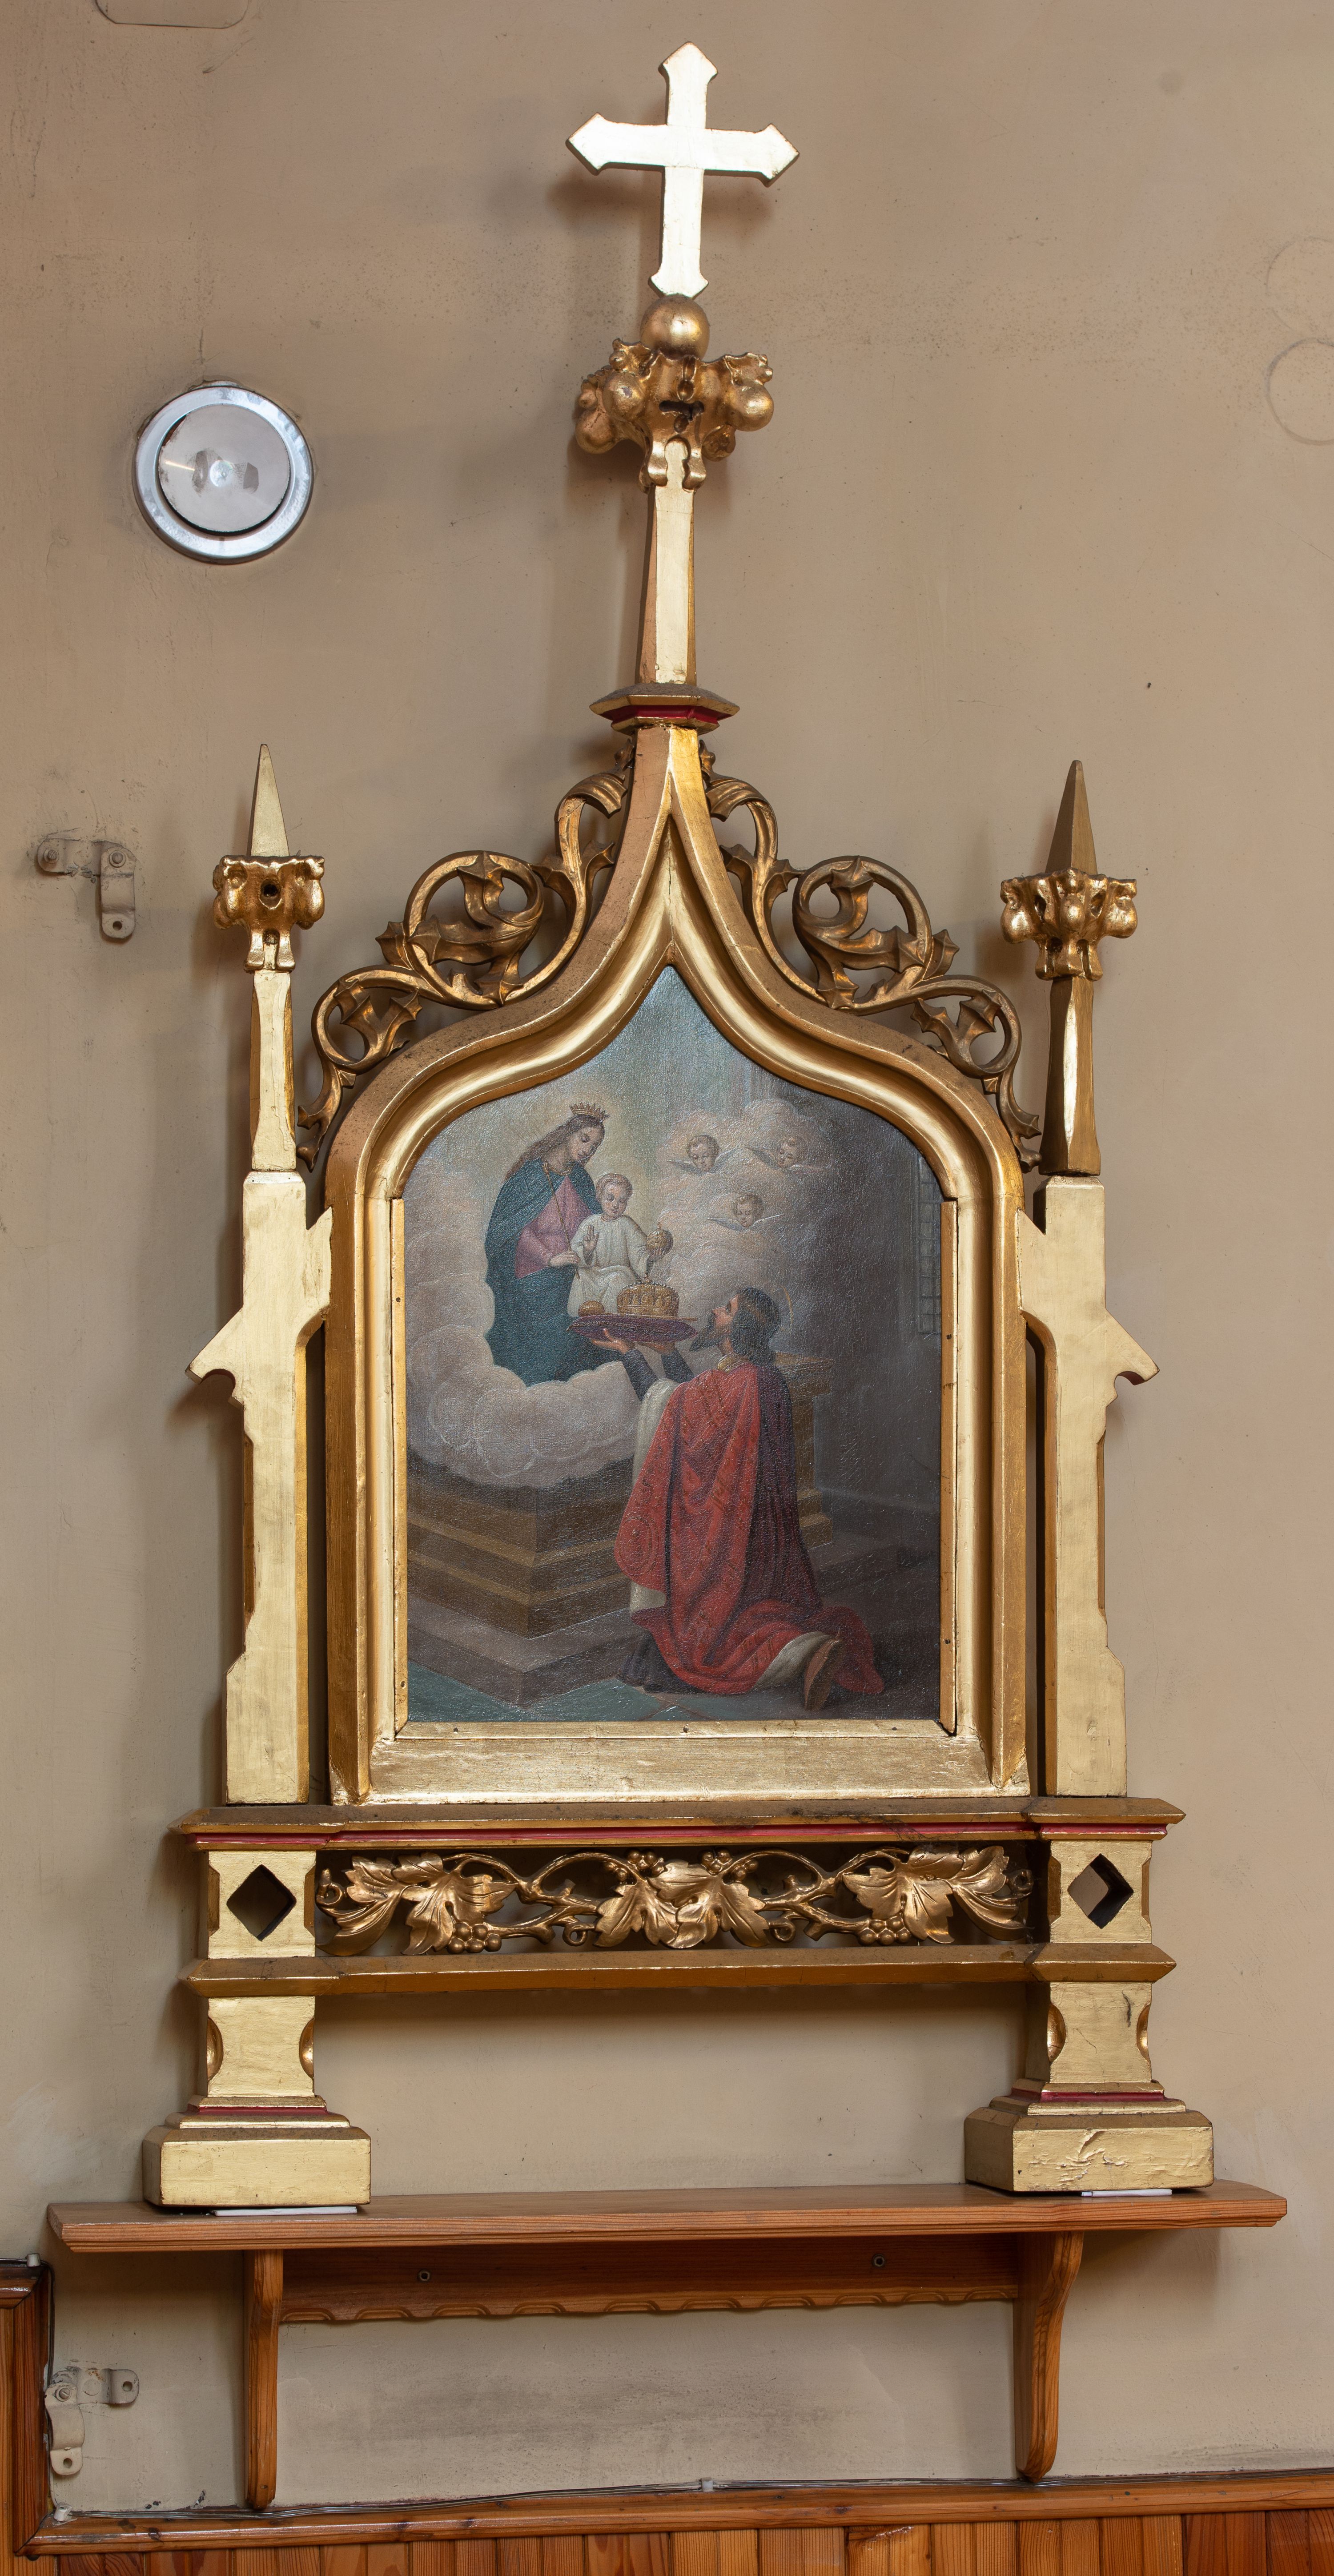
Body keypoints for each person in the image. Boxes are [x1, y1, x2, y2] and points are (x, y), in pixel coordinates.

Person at [610, 1286, 883, 1709]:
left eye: (726, 1309)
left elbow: (672, 1408)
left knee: (716, 1638)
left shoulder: (735, 1382)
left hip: (723, 1532)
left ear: (739, 1328)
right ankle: (805, 1647)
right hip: (756, 1534)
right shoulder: (760, 1378)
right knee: (746, 1613)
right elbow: (691, 1408)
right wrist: (668, 1352)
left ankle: (804, 1650)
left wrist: (629, 1353)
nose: (714, 1311)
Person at [484, 1104, 609, 1385]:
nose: (588, 1150)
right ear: (567, 1134)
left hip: (572, 1276)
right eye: (584, 1140)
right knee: (549, 1340)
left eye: (594, 1147)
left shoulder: (581, 1180)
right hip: (532, 1277)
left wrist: (590, 1249)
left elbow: (594, 1226)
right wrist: (550, 1259)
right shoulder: (530, 1177)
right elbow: (515, 1231)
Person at [565, 1174, 669, 1317]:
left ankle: (612, 1320)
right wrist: (587, 1251)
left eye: (622, 1201)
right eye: (610, 1198)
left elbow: (640, 1252)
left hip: (620, 1273)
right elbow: (575, 1251)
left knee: (617, 1280)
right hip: (593, 1274)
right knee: (582, 1277)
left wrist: (651, 1258)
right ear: (600, 1197)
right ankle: (582, 1319)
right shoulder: (590, 1223)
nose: (615, 1205)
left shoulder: (628, 1225)